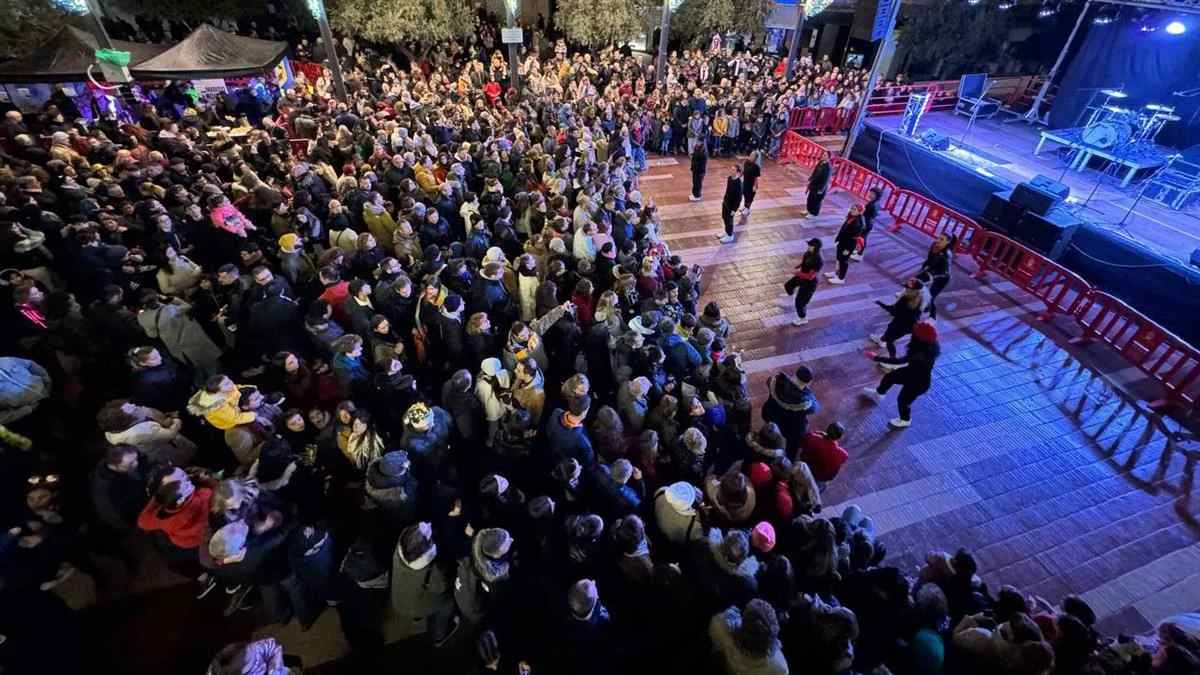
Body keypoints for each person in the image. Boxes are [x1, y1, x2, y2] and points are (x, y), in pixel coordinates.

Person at [862, 320, 940, 428]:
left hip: (918, 384)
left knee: (903, 401)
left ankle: (905, 420)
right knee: (890, 377)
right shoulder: (928, 347)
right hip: (912, 373)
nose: (913, 332)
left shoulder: (920, 355)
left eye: (915, 332)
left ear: (919, 339)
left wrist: (876, 357)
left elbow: (899, 361)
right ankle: (878, 393)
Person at [870, 278, 927, 359]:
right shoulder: (921, 298)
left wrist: (879, 302)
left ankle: (892, 359)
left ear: (910, 290)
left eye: (906, 288)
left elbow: (892, 311)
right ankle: (881, 340)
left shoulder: (904, 300)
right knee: (890, 333)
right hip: (908, 327)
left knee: (890, 341)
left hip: (899, 325)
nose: (904, 289)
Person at [785, 238, 823, 326]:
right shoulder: (808, 253)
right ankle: (790, 296)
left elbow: (810, 277)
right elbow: (804, 262)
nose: (808, 246)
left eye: (810, 245)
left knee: (800, 302)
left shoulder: (818, 260)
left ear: (815, 247)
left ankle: (803, 318)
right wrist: (797, 266)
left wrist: (797, 273)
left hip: (809, 284)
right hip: (802, 276)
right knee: (788, 285)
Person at [825, 203, 865, 286]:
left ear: (860, 212)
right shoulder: (852, 217)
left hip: (848, 245)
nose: (852, 210)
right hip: (843, 242)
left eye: (854, 209)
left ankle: (841, 278)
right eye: (851, 208)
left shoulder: (858, 223)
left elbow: (851, 235)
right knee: (839, 258)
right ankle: (836, 273)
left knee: (843, 260)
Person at [919, 233, 955, 320]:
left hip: (942, 278)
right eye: (938, 238)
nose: (938, 240)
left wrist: (933, 276)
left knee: (931, 295)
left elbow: (944, 272)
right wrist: (924, 267)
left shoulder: (946, 255)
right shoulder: (935, 246)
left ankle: (931, 313)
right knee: (918, 283)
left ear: (947, 242)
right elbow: (930, 258)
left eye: (942, 239)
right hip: (932, 271)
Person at [852, 188, 881, 260]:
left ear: (877, 196)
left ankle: (859, 255)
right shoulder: (876, 203)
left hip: (866, 224)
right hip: (868, 223)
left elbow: (865, 214)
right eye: (870, 192)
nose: (870, 195)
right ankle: (857, 251)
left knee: (862, 239)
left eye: (873, 194)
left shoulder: (872, 205)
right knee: (861, 237)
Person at [719, 163, 743, 244]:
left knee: (729, 220)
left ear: (738, 173)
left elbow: (739, 199)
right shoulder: (729, 178)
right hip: (726, 203)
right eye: (731, 169)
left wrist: (734, 210)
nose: (731, 171)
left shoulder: (739, 184)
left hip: (732, 206)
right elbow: (727, 190)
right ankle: (726, 232)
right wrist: (724, 200)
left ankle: (730, 236)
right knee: (724, 218)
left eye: (733, 170)